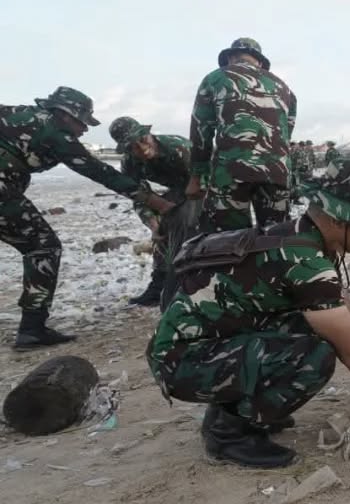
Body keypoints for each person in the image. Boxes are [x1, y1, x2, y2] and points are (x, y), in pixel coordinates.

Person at [147, 160, 350, 468]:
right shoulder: (306, 262)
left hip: (198, 346)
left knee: (314, 328)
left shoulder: (302, 235)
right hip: (182, 361)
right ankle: (227, 432)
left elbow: (345, 314)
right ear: (339, 220)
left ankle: (245, 407)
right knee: (316, 356)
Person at [1, 87, 174, 349]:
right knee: (43, 246)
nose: (84, 130)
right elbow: (99, 171)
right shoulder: (55, 132)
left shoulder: (16, 113)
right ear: (66, 114)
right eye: (82, 122)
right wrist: (157, 202)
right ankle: (32, 328)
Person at [188, 37, 297, 233]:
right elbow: (286, 134)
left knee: (227, 239)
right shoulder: (285, 89)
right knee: (276, 237)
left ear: (230, 58)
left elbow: (201, 131)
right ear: (260, 62)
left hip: (231, 172)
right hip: (277, 173)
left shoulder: (215, 79)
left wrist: (197, 175)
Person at [109, 116, 193, 307]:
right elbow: (138, 195)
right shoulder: (130, 162)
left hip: (207, 183)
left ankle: (178, 282)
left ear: (149, 134)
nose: (142, 149)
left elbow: (206, 177)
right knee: (162, 229)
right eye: (133, 147)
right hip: (179, 188)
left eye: (143, 140)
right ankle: (159, 285)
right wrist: (153, 223)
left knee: (181, 221)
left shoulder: (179, 148)